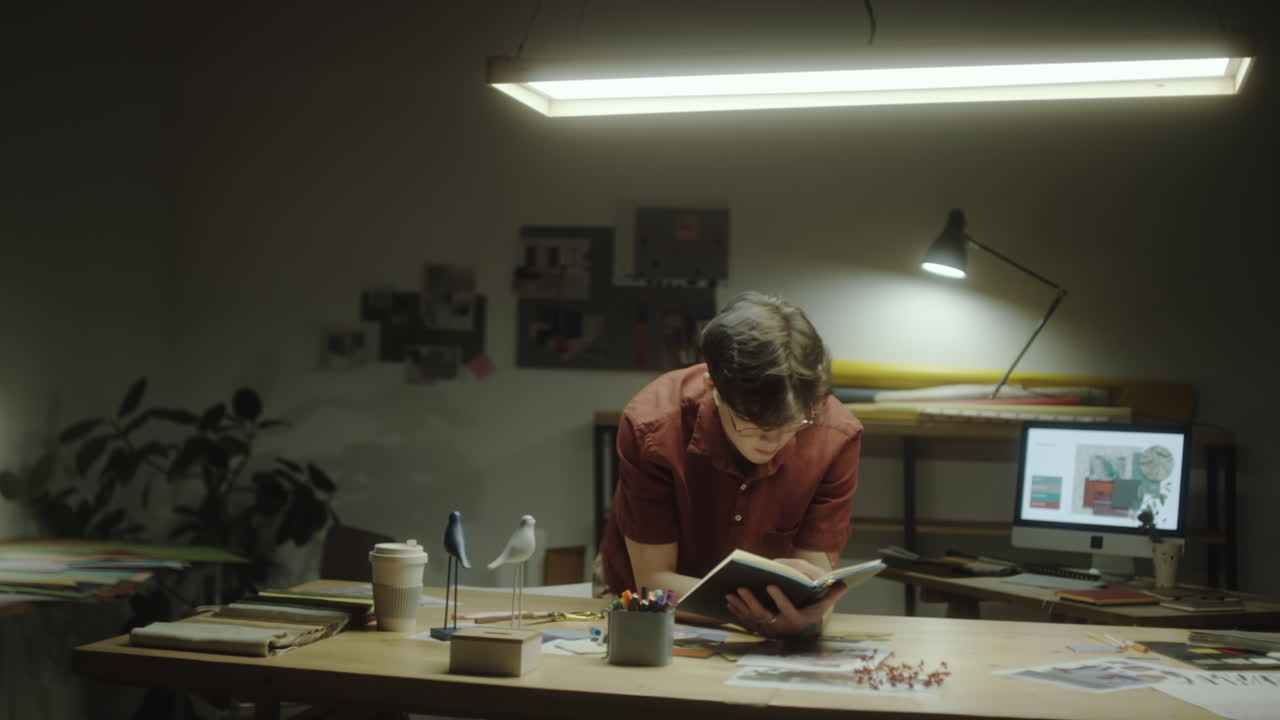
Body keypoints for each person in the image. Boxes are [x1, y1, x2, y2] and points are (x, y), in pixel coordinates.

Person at [599, 291, 863, 639]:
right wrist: (759, 611)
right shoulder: (654, 427)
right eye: (752, 423)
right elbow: (654, 582)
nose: (773, 440)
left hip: (766, 619)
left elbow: (815, 583)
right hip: (647, 608)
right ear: (714, 386)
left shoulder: (834, 435)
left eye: (791, 423)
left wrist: (808, 614)